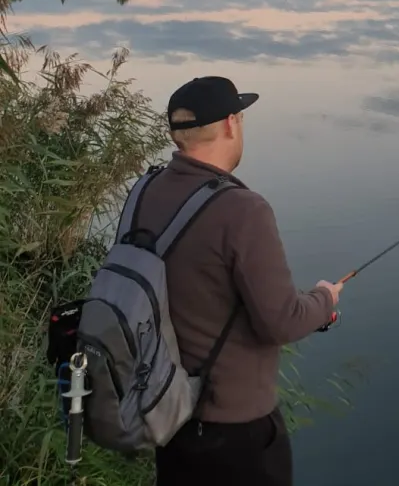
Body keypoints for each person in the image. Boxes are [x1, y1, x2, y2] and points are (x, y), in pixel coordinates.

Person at [135, 76, 342, 486]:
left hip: (170, 415)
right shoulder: (242, 209)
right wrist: (324, 299)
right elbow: (281, 321)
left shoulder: (145, 191)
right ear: (231, 124)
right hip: (235, 430)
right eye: (241, 118)